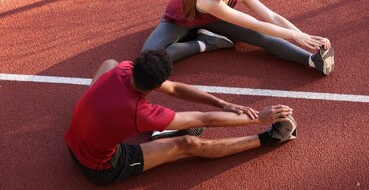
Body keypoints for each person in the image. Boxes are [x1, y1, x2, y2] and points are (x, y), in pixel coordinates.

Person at [64, 50, 297, 185]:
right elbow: (204, 120)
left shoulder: (124, 68)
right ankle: (269, 138)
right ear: (155, 86)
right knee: (188, 143)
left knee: (109, 63)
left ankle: (99, 114)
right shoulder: (140, 113)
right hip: (99, 167)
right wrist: (258, 118)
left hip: (73, 140)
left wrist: (222, 102)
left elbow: (174, 88)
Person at [141, 0, 334, 75]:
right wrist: (293, 36)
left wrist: (304, 36)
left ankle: (311, 61)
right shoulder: (210, 0)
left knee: (262, 38)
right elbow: (255, 23)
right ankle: (205, 43)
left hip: (212, 21)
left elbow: (271, 17)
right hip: (178, 23)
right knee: (148, 60)